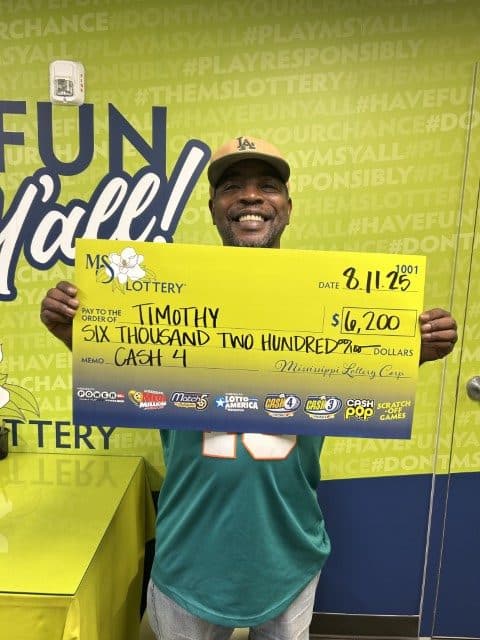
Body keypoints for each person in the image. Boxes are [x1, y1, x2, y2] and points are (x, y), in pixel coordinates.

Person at [40, 136, 458, 640]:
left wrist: (411, 348)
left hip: (288, 549)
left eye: (268, 186)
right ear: (213, 209)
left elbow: (360, 371)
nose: (251, 196)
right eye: (232, 186)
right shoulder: (170, 292)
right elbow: (129, 361)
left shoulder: (325, 299)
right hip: (190, 552)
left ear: (288, 207)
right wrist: (75, 335)